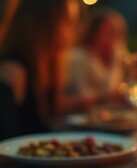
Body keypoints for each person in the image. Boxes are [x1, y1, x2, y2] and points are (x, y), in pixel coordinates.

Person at [0, 0, 80, 140]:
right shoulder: (13, 70)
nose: (73, 32)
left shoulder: (46, 65)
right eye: (68, 22)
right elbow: (6, 142)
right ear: (43, 23)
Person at [64, 7, 127, 113]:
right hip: (77, 119)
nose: (109, 39)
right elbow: (81, 95)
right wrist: (108, 97)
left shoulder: (117, 58)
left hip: (107, 118)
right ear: (92, 34)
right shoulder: (79, 59)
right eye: (104, 33)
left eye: (112, 33)